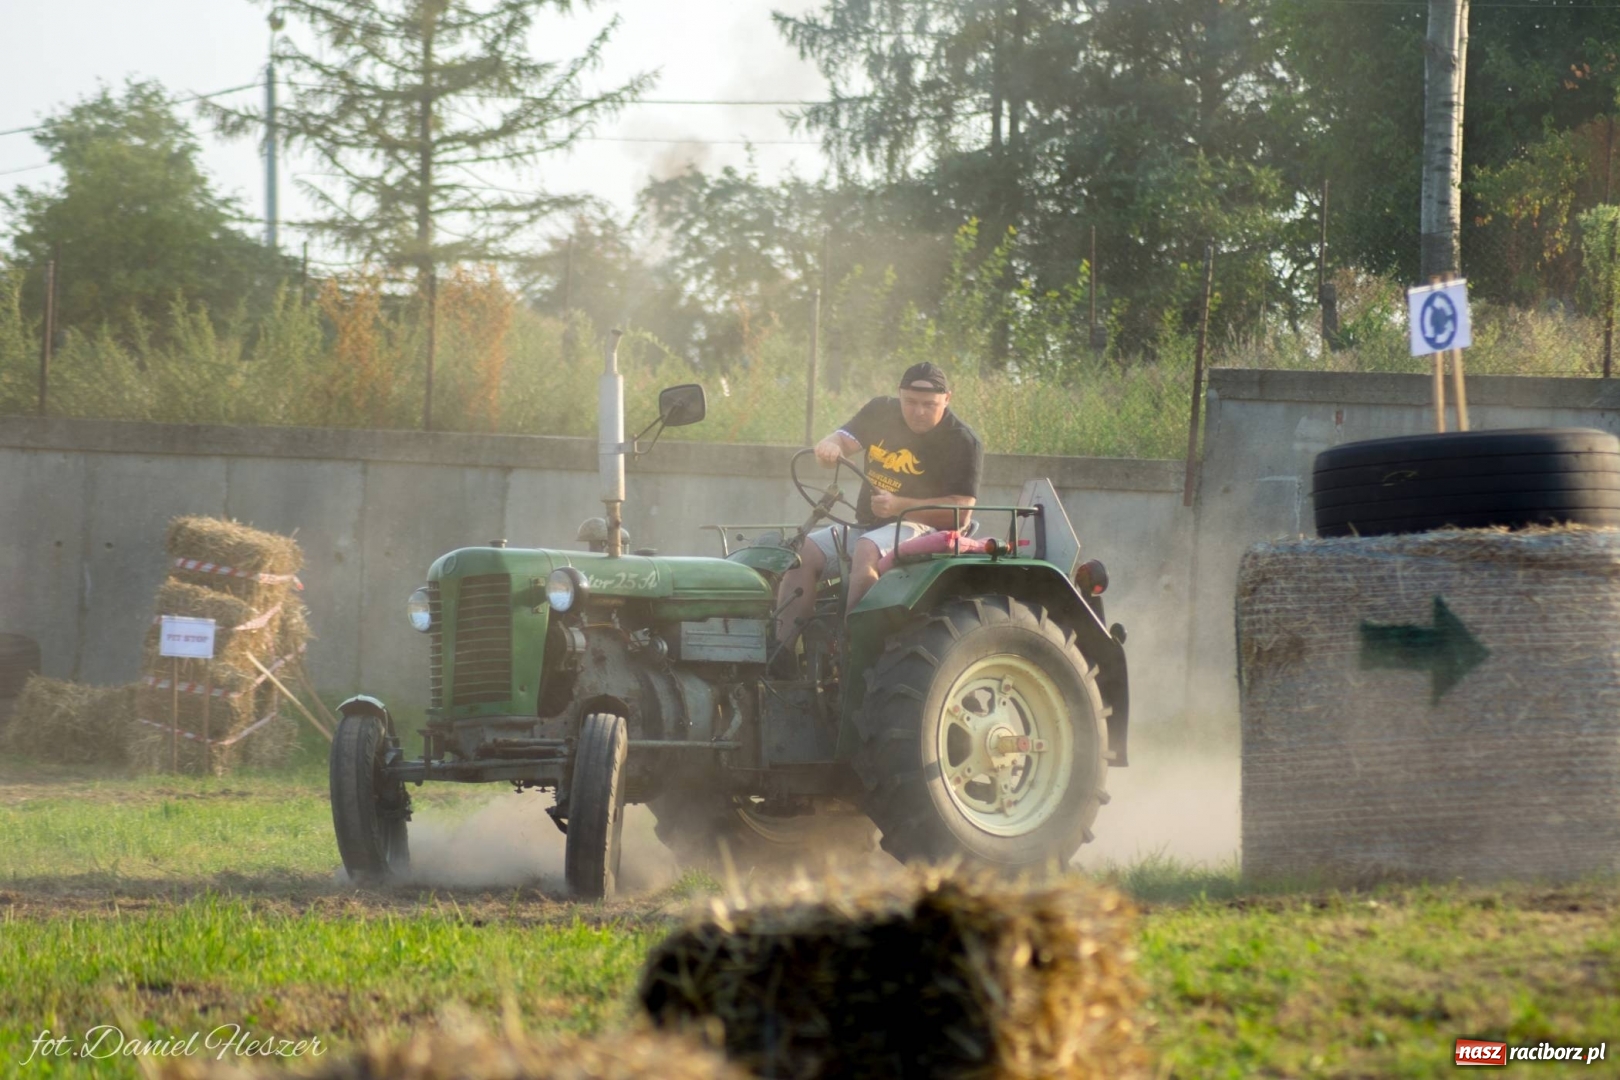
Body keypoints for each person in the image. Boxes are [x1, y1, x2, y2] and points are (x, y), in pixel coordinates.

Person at [774, 361, 983, 659]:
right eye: (910, 402)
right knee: (803, 551)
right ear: (899, 395)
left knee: (866, 549)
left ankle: (851, 652)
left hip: (926, 529)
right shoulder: (880, 411)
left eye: (929, 404)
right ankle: (781, 655)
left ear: (947, 398)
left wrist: (899, 507)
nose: (919, 411)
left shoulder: (962, 440)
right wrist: (829, 446)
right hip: (869, 525)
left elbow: (961, 512)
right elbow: (839, 443)